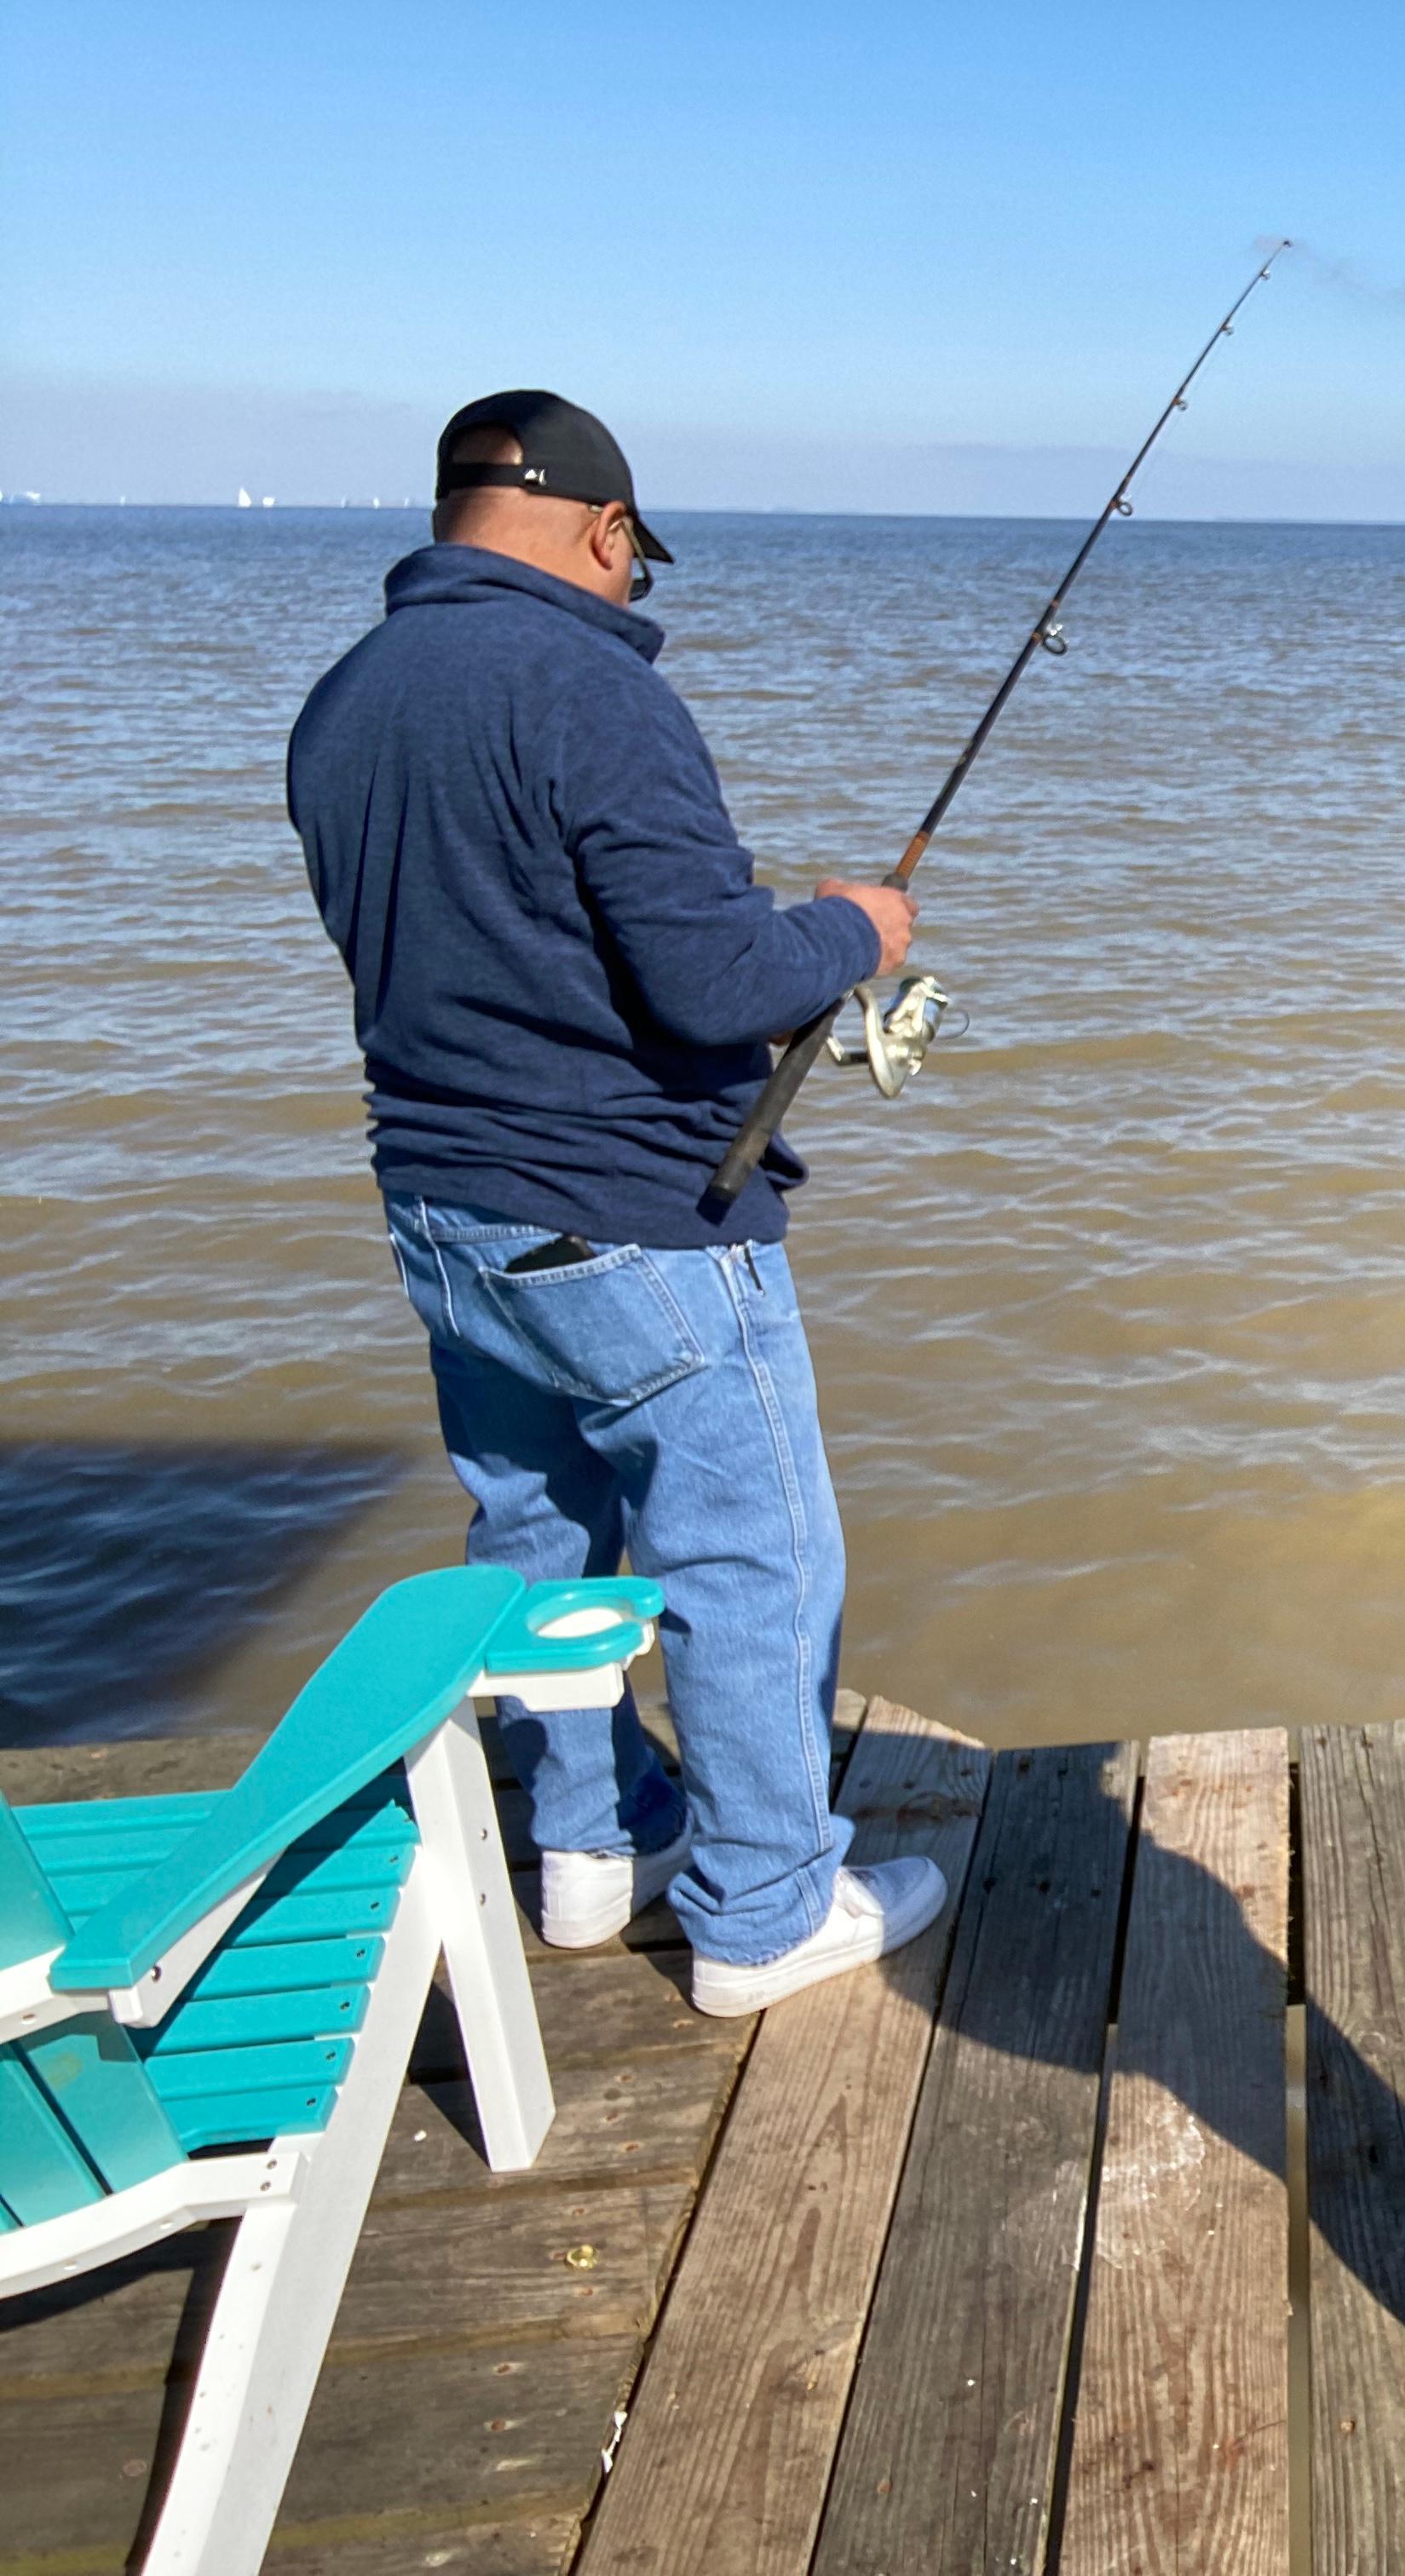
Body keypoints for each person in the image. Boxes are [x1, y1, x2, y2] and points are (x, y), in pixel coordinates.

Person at [289, 390, 942, 2017]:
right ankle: (764, 1909)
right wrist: (858, 929)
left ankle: (592, 1851)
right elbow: (716, 977)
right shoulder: (594, 689)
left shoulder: (343, 703)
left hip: (443, 1214)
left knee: (532, 1536)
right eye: (637, 564)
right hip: (633, 1223)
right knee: (751, 1560)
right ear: (602, 533)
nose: (633, 592)